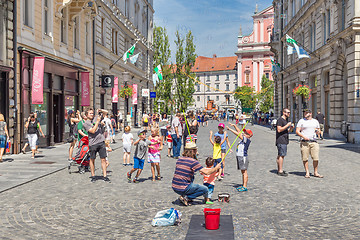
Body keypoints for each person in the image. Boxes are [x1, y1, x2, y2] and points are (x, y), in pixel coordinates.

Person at [172, 142, 221, 206]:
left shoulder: (180, 159)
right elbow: (207, 172)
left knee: (192, 176)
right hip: (183, 187)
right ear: (193, 151)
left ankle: (185, 196)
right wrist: (216, 168)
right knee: (205, 189)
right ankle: (186, 197)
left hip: (175, 186)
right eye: (195, 150)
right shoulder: (193, 162)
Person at [83, 108, 111, 183]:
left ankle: (105, 176)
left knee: (103, 159)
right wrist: (98, 122)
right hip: (93, 143)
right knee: (92, 159)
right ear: (86, 115)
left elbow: (106, 112)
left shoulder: (96, 118)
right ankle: (93, 176)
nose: (92, 114)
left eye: (92, 113)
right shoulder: (86, 123)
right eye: (90, 113)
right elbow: (92, 131)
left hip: (101, 141)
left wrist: (101, 110)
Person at [296, 109, 323, 179]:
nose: (305, 114)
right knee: (305, 158)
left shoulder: (315, 121)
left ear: (310, 113)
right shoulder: (301, 121)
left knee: (316, 158)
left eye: (306, 113)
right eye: (304, 113)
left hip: (313, 141)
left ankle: (315, 172)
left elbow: (318, 130)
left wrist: (318, 132)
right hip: (304, 142)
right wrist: (303, 136)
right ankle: (307, 172)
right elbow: (297, 131)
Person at [227, 123, 253, 192]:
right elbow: (239, 132)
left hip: (243, 157)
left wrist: (230, 129)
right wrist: (235, 126)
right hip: (239, 157)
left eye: (246, 133)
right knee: (242, 172)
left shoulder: (246, 140)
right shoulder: (244, 139)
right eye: (244, 132)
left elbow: (238, 134)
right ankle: (243, 184)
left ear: (249, 136)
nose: (244, 133)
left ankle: (245, 186)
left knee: (245, 172)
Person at [275, 108, 294, 176]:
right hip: (281, 140)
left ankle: (279, 169)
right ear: (284, 113)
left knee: (280, 155)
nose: (289, 114)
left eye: (289, 112)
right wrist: (287, 125)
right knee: (282, 155)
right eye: (288, 112)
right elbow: (279, 130)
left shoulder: (285, 120)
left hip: (284, 139)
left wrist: (290, 128)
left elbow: (286, 131)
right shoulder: (280, 120)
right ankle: (280, 171)